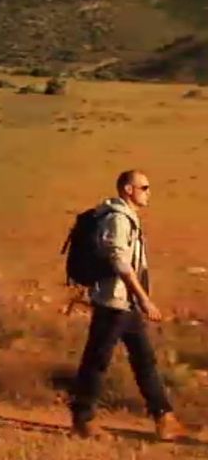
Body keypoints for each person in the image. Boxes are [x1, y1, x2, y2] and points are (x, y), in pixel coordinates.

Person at [69, 170, 186, 441]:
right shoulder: (117, 219)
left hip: (126, 302)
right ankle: (83, 419)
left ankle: (164, 417)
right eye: (144, 187)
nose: (149, 192)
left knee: (144, 359)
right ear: (128, 189)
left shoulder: (126, 217)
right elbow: (119, 260)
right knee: (98, 361)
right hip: (114, 301)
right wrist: (143, 298)